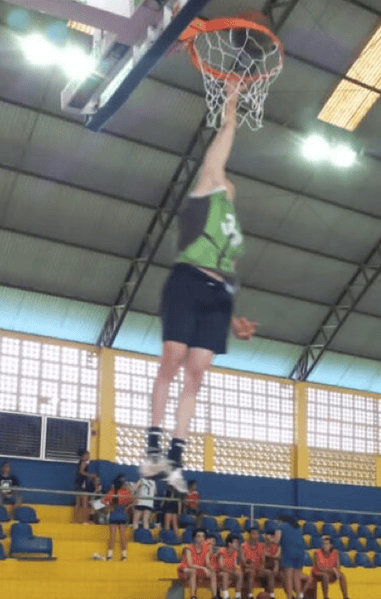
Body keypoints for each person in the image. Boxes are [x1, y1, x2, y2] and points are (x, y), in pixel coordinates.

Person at [140, 82, 257, 493]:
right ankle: (151, 445)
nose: (231, 182)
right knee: (172, 358)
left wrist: (236, 322)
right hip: (187, 281)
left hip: (218, 296)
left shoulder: (234, 231)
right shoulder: (208, 187)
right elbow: (225, 135)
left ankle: (175, 454)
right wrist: (232, 100)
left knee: (197, 373)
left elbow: (230, 276)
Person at [177, 528, 218, 599]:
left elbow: (207, 562)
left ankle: (215, 596)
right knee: (193, 571)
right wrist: (204, 568)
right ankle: (193, 596)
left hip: (199, 569)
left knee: (212, 573)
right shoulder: (189, 548)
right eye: (198, 536)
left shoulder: (206, 549)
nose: (201, 538)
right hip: (186, 569)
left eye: (203, 536)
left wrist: (211, 569)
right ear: (195, 538)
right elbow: (190, 564)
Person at [274, 515, 305, 599]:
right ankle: (299, 596)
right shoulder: (297, 527)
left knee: (288, 577)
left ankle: (289, 597)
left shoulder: (281, 526)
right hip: (301, 552)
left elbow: (276, 540)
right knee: (297, 577)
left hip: (289, 551)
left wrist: (270, 539)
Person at [103, 474, 132, 561]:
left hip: (114, 514)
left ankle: (110, 555)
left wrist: (109, 507)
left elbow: (102, 500)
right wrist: (127, 508)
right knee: (122, 536)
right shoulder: (125, 492)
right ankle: (124, 556)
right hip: (122, 514)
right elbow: (134, 500)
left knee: (112, 536)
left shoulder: (112, 492)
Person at [73, 449, 98, 523]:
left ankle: (75, 520)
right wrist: (90, 475)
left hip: (78, 485)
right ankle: (85, 520)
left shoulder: (80, 462)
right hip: (82, 485)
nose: (89, 457)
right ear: (85, 455)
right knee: (84, 504)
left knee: (78, 504)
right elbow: (81, 471)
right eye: (88, 455)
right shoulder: (83, 462)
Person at [242, 525, 266, 599]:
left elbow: (263, 560)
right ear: (249, 535)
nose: (255, 536)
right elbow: (244, 563)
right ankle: (250, 596)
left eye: (257, 534)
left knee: (269, 573)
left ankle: (271, 595)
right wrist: (249, 565)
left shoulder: (261, 546)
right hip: (247, 569)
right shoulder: (243, 546)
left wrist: (261, 568)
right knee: (251, 572)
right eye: (254, 534)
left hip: (258, 569)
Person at [218, 533, 244, 599]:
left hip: (230, 572)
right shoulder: (222, 550)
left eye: (237, 542)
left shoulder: (235, 552)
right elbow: (221, 567)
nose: (237, 544)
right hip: (220, 572)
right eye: (235, 542)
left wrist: (237, 570)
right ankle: (225, 596)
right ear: (229, 544)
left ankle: (238, 596)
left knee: (240, 574)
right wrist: (232, 572)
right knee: (225, 574)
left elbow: (235, 565)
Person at [262, 526, 281, 599]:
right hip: (265, 566)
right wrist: (272, 556)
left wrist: (270, 555)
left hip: (275, 566)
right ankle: (271, 595)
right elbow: (263, 555)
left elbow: (278, 556)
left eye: (273, 535)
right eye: (270, 535)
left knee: (276, 563)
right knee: (270, 573)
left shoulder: (278, 545)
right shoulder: (265, 544)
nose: (271, 537)